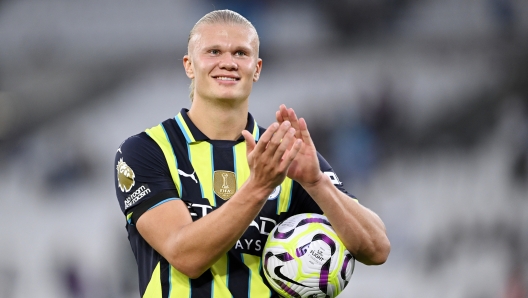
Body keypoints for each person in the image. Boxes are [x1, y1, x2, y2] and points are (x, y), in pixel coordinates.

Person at [114, 9, 390, 298]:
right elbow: (186, 257)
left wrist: (316, 183)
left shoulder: (283, 152)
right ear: (189, 65)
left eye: (241, 53)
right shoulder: (147, 150)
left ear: (257, 68)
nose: (228, 62)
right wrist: (260, 186)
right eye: (214, 51)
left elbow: (377, 248)